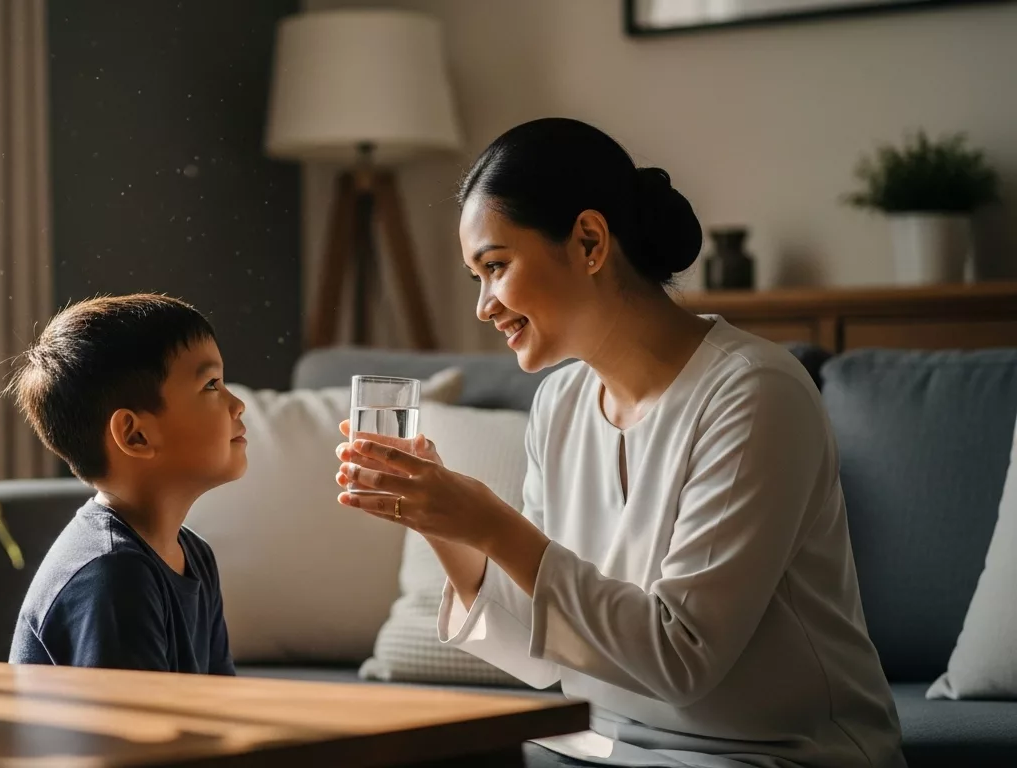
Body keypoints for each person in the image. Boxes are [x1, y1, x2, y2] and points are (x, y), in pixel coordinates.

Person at [336, 118, 904, 768]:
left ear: (589, 241)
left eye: (495, 266)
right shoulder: (560, 403)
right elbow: (541, 655)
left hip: (771, 755)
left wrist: (490, 524)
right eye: (476, 277)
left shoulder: (754, 394)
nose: (483, 306)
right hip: (603, 748)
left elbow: (680, 659)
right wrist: (438, 522)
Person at [8, 294, 245, 675]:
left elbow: (221, 703)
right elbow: (132, 731)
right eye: (212, 384)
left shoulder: (195, 556)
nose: (238, 404)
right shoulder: (113, 574)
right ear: (135, 436)